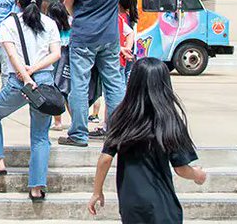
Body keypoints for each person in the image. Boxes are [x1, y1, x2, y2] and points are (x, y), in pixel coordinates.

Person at [88, 58, 207, 224]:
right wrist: (198, 174)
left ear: (133, 83)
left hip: (131, 205)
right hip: (162, 205)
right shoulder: (169, 120)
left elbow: (105, 159)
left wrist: (97, 191)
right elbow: (181, 169)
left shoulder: (120, 117)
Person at [0, 0, 60, 201]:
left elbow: (12, 56)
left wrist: (26, 75)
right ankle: (36, 188)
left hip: (19, 82)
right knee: (40, 136)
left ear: (17, 2)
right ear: (40, 2)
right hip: (44, 83)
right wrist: (34, 70)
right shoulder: (49, 23)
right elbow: (56, 54)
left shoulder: (9, 23)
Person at [55, 0, 127, 147]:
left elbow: (67, 3)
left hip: (84, 36)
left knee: (79, 84)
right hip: (110, 37)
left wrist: (78, 16)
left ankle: (78, 134)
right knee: (114, 84)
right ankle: (116, 132)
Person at [46, 0, 72, 131]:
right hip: (69, 65)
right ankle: (75, 121)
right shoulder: (71, 25)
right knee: (69, 94)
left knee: (56, 93)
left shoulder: (50, 28)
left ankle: (58, 122)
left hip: (55, 66)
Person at [118, 0, 139, 82]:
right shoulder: (127, 15)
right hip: (127, 49)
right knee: (126, 74)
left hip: (121, 52)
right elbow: (130, 33)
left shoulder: (120, 17)